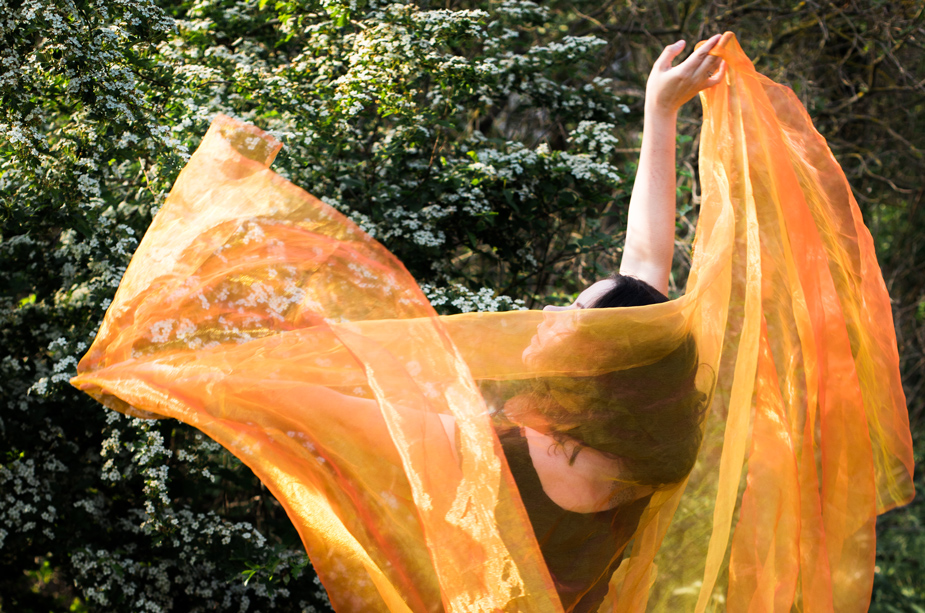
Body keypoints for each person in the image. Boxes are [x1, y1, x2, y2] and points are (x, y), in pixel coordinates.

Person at [72, 32, 914, 612]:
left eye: (566, 323)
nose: (549, 318)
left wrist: (194, 371)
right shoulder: (647, 439)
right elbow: (643, 267)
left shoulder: (487, 447)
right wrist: (659, 115)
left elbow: (320, 405)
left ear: (586, 378)